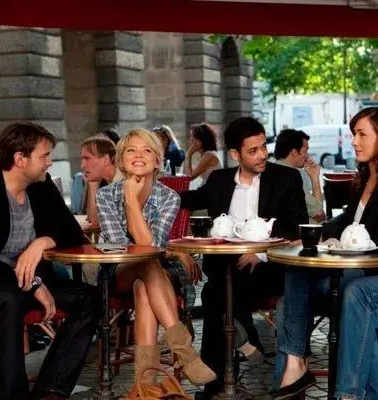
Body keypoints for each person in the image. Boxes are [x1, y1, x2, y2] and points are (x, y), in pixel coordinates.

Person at [0, 122, 100, 400]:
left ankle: (51, 390)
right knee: (8, 299)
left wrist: (41, 242)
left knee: (90, 298)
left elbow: (71, 231)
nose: (50, 162)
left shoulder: (41, 186)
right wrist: (33, 284)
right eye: (44, 156)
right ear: (20, 159)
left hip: (29, 282)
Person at [180, 117, 308, 399]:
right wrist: (154, 190)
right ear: (236, 154)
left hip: (269, 267)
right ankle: (246, 340)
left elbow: (295, 226)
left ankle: (216, 384)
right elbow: (191, 199)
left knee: (215, 295)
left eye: (263, 147)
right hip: (226, 266)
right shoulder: (219, 180)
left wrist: (260, 254)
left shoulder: (286, 178)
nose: (262, 155)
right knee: (218, 289)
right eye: (253, 150)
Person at [96, 128, 216, 388]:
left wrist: (131, 203)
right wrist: (130, 199)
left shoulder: (169, 197)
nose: (139, 156)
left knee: (145, 279)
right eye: (131, 150)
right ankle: (185, 352)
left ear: (157, 160)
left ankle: (145, 384)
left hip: (155, 272)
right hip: (118, 271)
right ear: (121, 160)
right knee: (145, 262)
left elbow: (153, 248)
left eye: (147, 150)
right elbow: (122, 249)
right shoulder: (105, 195)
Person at [273, 107, 378, 400]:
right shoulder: (365, 178)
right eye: (354, 134)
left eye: (362, 134)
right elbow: (346, 220)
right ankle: (294, 365)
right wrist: (314, 235)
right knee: (297, 271)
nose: (354, 141)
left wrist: (344, 242)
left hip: (368, 274)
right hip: (355, 270)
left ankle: (346, 393)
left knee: (353, 292)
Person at [274, 129, 325, 224]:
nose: (308, 155)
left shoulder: (271, 170)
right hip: (299, 231)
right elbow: (319, 214)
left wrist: (313, 176)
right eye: (305, 150)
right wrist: (315, 180)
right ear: (294, 152)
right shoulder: (292, 175)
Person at [79, 136, 117, 224]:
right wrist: (92, 184)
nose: (82, 165)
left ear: (106, 160)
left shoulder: (122, 183)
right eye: (82, 159)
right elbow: (94, 221)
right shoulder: (107, 182)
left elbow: (98, 222)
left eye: (87, 158)